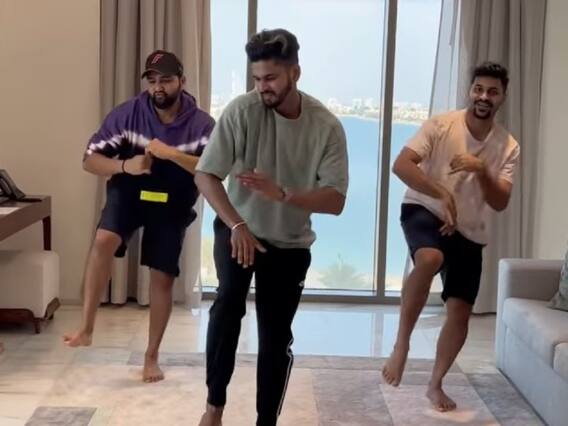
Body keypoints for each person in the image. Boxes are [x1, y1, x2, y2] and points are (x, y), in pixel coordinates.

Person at [195, 29, 349, 426]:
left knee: (275, 335)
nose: (262, 86)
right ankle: (214, 408)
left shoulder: (326, 126)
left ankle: (266, 420)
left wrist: (283, 194)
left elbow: (335, 201)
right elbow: (206, 175)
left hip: (290, 242)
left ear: (295, 73)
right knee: (227, 305)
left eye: (271, 78)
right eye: (257, 78)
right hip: (238, 230)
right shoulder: (241, 111)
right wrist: (236, 224)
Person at [63, 50, 214, 383]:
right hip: (131, 189)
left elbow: (214, 168)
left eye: (166, 80)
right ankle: (86, 328)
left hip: (173, 198)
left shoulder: (202, 124)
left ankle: (151, 356)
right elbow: (90, 160)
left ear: (182, 81)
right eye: (152, 80)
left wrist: (171, 154)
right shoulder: (128, 113)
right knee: (103, 239)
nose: (158, 87)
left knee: (162, 276)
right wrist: (124, 165)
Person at [382, 62, 520, 411]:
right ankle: (401, 345)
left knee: (460, 312)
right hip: (424, 207)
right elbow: (402, 165)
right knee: (430, 257)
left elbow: (500, 201)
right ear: (470, 91)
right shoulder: (442, 124)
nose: (484, 96)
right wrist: (441, 193)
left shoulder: (508, 146)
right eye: (478, 89)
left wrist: (482, 169)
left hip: (469, 229)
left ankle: (435, 385)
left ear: (502, 97)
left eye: (492, 91)